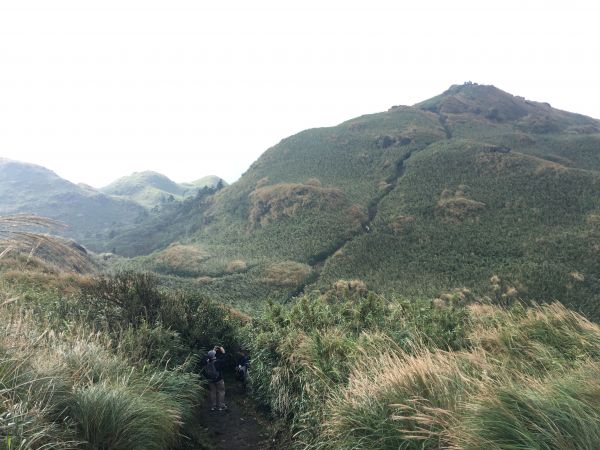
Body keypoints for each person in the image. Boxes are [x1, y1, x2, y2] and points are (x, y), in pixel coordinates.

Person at [204, 346, 227, 411]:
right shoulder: (217, 362)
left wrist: (212, 351)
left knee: (212, 392)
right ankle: (220, 406)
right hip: (218, 379)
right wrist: (223, 352)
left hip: (210, 379)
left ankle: (213, 406)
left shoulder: (207, 361)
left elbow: (208, 356)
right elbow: (225, 360)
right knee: (221, 391)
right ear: (214, 355)